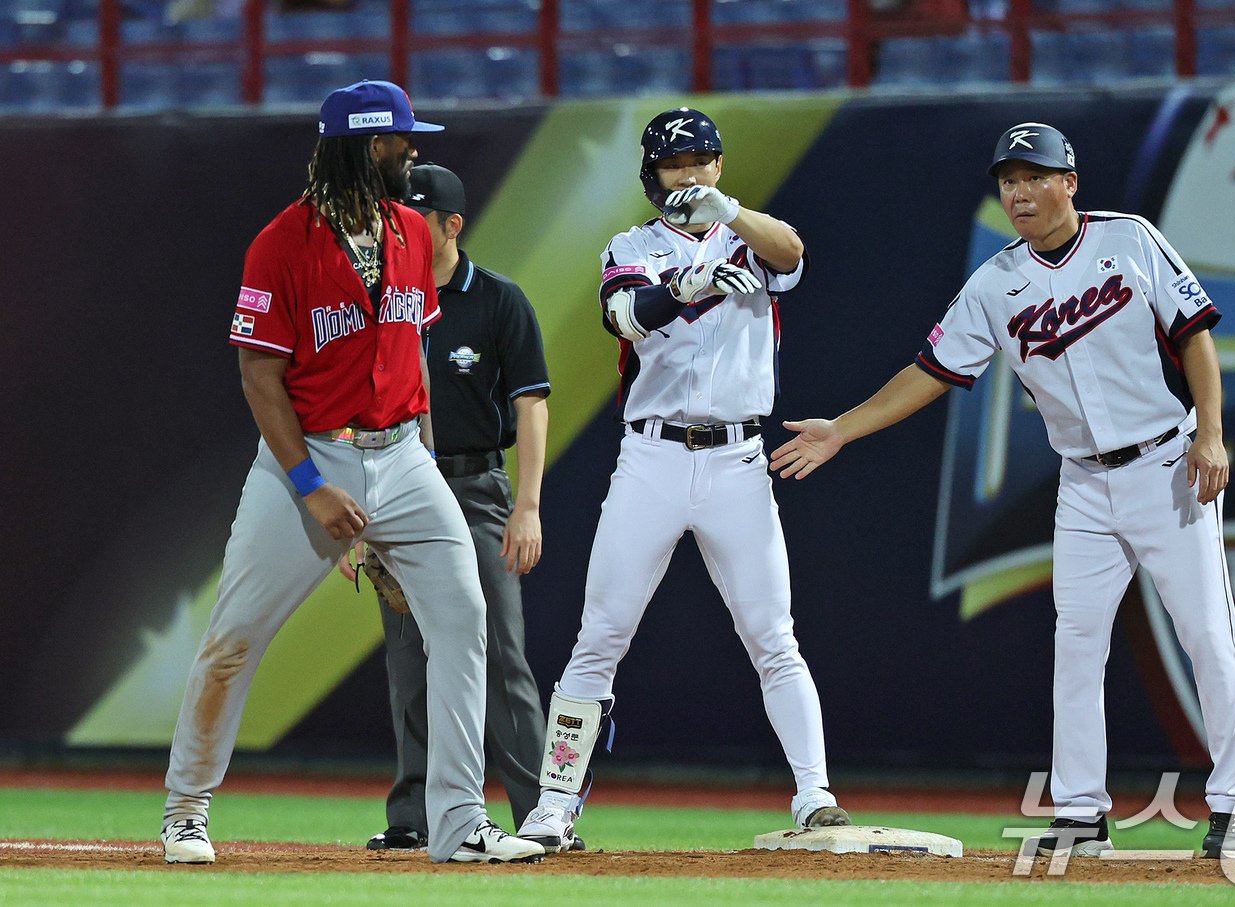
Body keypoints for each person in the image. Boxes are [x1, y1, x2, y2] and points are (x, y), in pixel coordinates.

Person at [769, 122, 1235, 861]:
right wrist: (842, 428)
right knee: (1076, 645)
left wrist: (1211, 433)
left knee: (1207, 636)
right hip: (1084, 482)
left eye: (1033, 176)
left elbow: (1195, 334)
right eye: (1008, 180)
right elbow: (930, 372)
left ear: (1069, 181)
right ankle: (1081, 810)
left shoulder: (1129, 240)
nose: (1019, 192)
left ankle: (1234, 804)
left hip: (1167, 465)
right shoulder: (997, 282)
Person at [158, 80, 543, 866]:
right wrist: (310, 487)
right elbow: (259, 377)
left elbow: (417, 362)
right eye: (404, 139)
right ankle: (186, 808)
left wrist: (419, 481)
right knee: (234, 636)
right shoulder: (282, 242)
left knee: (464, 620)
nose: (415, 150)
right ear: (371, 147)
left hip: (404, 454)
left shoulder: (410, 229)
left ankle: (460, 820)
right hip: (309, 459)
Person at [514, 107, 851, 854]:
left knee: (772, 634)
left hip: (737, 458)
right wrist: (692, 284)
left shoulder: (748, 233)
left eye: (701, 158)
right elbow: (626, 315)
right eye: (675, 162)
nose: (689, 172)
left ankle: (815, 793)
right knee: (599, 635)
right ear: (651, 173)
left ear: (720, 165)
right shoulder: (632, 244)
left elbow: (793, 253)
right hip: (654, 457)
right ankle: (554, 803)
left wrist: (728, 214)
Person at [338, 163, 557, 851]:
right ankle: (415, 818)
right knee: (408, 658)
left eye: (411, 218)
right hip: (393, 483)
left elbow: (531, 404)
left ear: (450, 225)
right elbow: (351, 402)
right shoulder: (376, 301)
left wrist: (527, 504)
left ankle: (540, 815)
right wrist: (350, 511)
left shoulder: (497, 299)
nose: (394, 229)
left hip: (475, 488)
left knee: (500, 654)